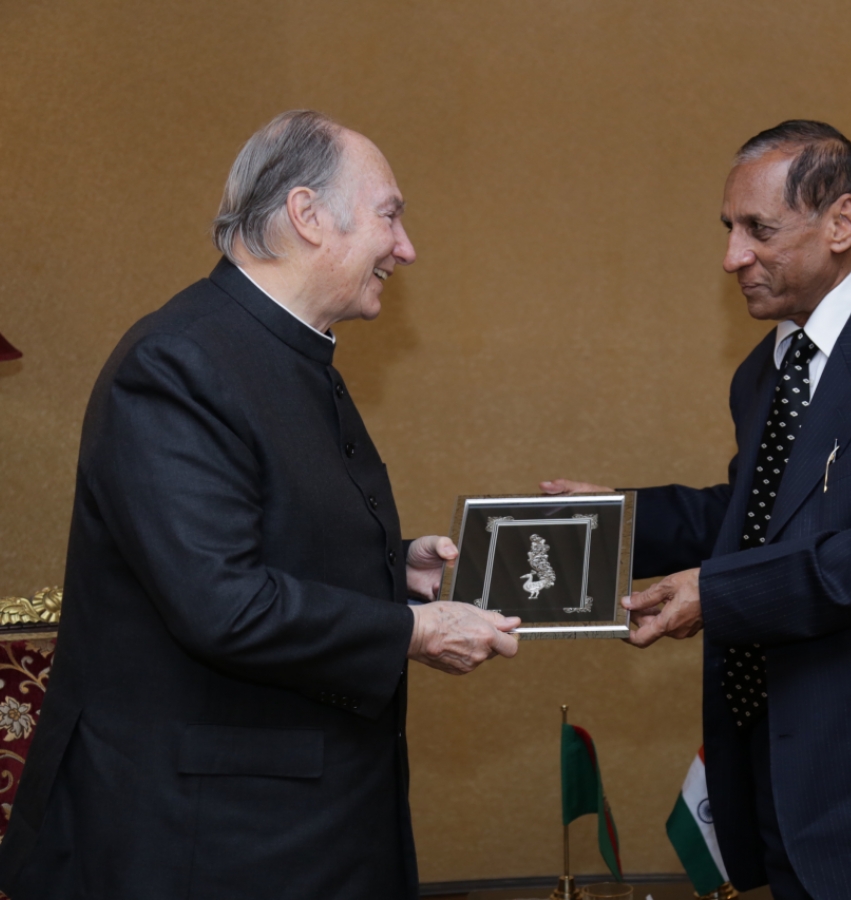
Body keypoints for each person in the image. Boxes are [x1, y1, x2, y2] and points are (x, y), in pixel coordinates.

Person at [0, 110, 521, 900]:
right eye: (391, 214)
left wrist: (392, 571)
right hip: (206, 840)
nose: (405, 247)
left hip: (293, 822)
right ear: (308, 216)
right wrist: (413, 630)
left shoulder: (283, 353)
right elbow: (222, 603)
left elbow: (270, 538)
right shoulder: (178, 363)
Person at [544, 120, 851, 900]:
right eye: (729, 230)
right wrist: (617, 519)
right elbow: (758, 521)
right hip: (788, 778)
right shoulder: (764, 372)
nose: (731, 257)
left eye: (759, 230)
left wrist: (717, 595)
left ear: (841, 224)